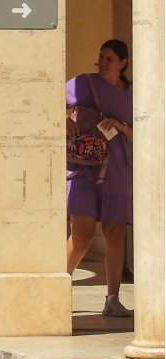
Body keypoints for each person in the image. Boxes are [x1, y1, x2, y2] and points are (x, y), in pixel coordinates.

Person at [65, 39, 135, 317]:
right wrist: (68, 118)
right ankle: (57, 288)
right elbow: (52, 105)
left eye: (109, 58)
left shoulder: (133, 93)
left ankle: (113, 298)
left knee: (115, 232)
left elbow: (146, 129)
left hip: (118, 169)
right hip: (84, 168)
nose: (103, 62)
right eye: (101, 56)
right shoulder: (83, 83)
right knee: (81, 235)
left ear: (123, 63)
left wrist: (121, 126)